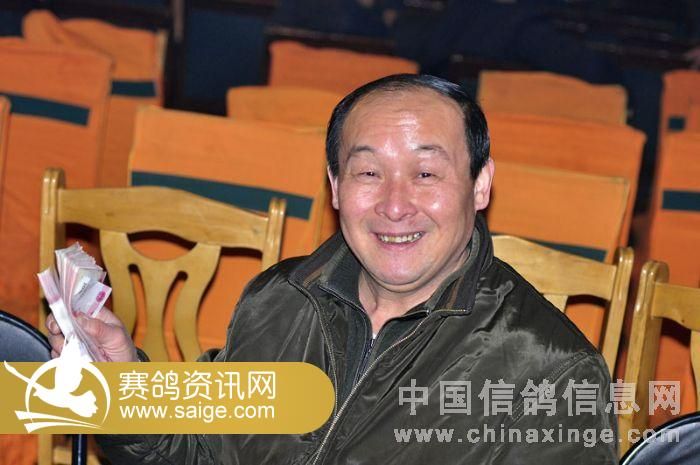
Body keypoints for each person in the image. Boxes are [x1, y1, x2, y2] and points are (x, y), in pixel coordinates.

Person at [47, 74, 618, 464]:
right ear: (336, 186)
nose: (395, 205)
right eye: (368, 173)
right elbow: (201, 451)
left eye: (425, 175)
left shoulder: (554, 376)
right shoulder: (281, 298)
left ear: (481, 184)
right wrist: (122, 386)